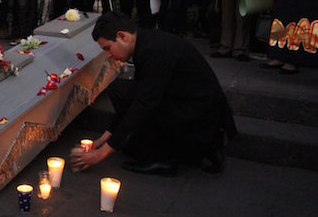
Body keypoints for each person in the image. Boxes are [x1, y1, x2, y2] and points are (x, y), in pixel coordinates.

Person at [69, 12, 236, 175]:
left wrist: (101, 154)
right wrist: (102, 141)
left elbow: (145, 103)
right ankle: (164, 150)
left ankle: (163, 159)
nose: (108, 55)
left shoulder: (155, 51)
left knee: (134, 107)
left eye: (108, 48)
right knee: (120, 91)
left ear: (122, 36)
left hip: (198, 113)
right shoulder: (145, 41)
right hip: (181, 100)